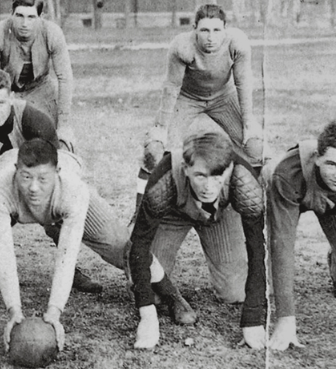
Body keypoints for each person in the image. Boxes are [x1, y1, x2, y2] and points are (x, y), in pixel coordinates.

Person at [0, 138, 173, 352]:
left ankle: (172, 295)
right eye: (26, 177)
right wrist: (14, 310)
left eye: (42, 179)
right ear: (15, 171)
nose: (34, 188)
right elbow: (4, 254)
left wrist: (55, 310)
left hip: (65, 186)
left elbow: (67, 256)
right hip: (9, 185)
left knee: (124, 249)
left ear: (56, 174)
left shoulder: (74, 190)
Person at [0, 68, 101, 293]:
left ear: (12, 97)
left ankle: (70, 269)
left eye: (1, 103)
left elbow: (53, 172)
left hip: (37, 182)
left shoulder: (35, 120)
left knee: (63, 216)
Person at [128, 131, 266, 350]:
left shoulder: (243, 179)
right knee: (149, 289)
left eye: (216, 176)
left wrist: (253, 318)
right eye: (201, 175)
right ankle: (172, 295)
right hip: (174, 212)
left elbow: (258, 249)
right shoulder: (165, 176)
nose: (208, 186)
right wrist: (148, 318)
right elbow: (139, 244)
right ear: (185, 168)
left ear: (229, 169)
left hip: (219, 214)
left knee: (234, 292)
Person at [134, 3, 263, 219]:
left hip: (224, 97)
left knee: (256, 148)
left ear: (225, 29)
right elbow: (172, 86)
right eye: (204, 30)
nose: (210, 37)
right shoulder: (182, 46)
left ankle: (252, 209)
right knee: (154, 152)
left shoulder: (237, 42)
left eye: (216, 30)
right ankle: (140, 212)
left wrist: (249, 123)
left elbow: (243, 83)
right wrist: (162, 128)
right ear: (194, 28)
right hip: (188, 98)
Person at [267, 121, 336, 351]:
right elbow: (282, 244)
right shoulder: (288, 174)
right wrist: (285, 318)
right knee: (233, 289)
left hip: (329, 199)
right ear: (317, 157)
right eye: (332, 164)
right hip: (288, 186)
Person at [0, 0, 75, 149]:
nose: (24, 23)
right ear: (11, 14)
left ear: (40, 16)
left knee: (57, 142)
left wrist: (64, 124)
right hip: (8, 91)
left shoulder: (52, 33)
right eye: (19, 16)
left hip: (41, 90)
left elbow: (65, 78)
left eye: (31, 17)